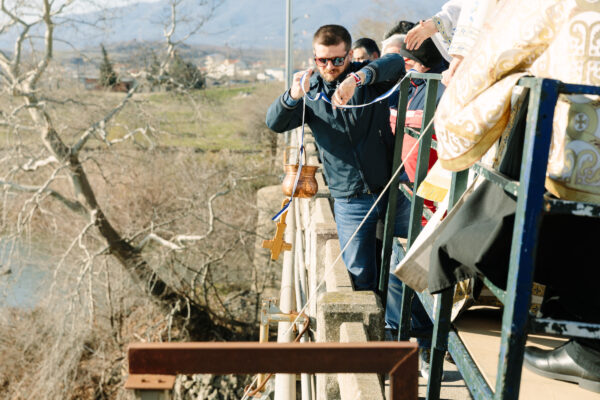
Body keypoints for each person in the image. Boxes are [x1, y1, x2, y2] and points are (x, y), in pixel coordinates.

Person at [428, 0, 600, 392]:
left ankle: (591, 349)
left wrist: (463, 87)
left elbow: (509, 40)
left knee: (558, 222)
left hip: (577, 138)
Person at [265, 25, 435, 375]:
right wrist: (293, 95)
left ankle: (424, 336)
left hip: (391, 188)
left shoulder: (366, 78)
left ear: (348, 55)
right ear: (314, 58)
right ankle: (378, 354)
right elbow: (275, 122)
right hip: (349, 199)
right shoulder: (311, 91)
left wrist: (356, 79)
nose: (330, 66)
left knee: (417, 257)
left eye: (337, 60)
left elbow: (395, 64)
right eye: (322, 60)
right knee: (360, 276)